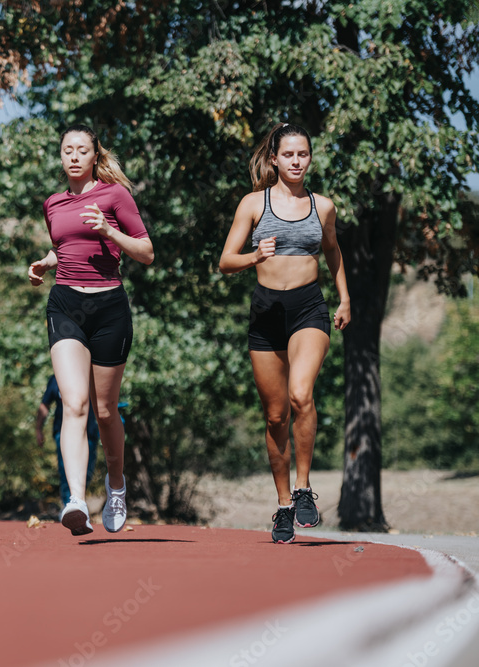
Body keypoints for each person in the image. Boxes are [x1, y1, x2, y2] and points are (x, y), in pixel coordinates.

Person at [218, 122, 351, 544]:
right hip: (266, 312)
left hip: (309, 308)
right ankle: (282, 506)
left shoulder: (323, 206)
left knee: (301, 395)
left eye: (303, 154)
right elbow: (225, 261)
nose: (297, 161)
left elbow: (332, 249)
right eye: (289, 155)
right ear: (274, 159)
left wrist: (344, 298)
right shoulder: (253, 204)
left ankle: (304, 487)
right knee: (275, 415)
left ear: (310, 158)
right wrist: (254, 255)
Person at [28, 125, 154, 536]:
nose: (74, 156)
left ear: (93, 155)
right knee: (73, 403)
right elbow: (66, 244)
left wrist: (109, 230)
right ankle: (76, 501)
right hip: (66, 304)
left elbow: (146, 252)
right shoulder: (53, 203)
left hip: (109, 306)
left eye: (82, 150)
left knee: (104, 410)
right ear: (61, 156)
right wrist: (46, 263)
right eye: (68, 150)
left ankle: (115, 485)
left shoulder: (115, 196)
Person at [35, 374, 99, 505]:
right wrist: (38, 429)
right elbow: (45, 405)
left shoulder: (94, 377)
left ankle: (78, 502)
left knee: (86, 472)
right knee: (66, 471)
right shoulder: (56, 378)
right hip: (63, 433)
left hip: (89, 433)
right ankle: (69, 505)